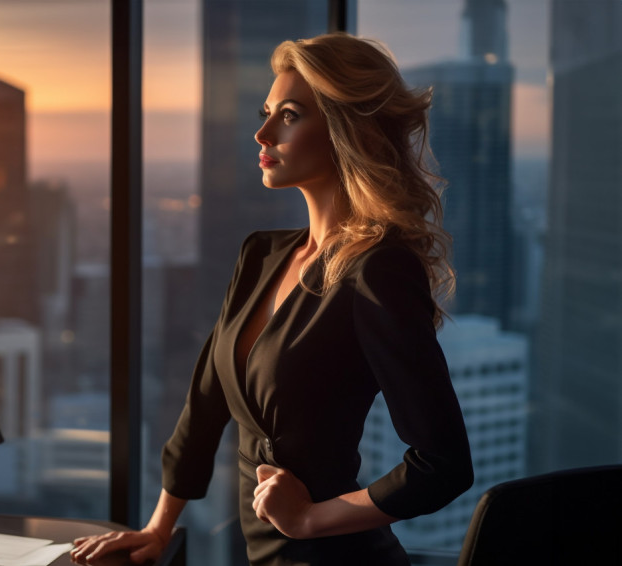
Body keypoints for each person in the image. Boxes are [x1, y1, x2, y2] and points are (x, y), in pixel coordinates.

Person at [71, 31, 473, 566]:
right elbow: (207, 401)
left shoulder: (378, 269)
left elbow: (443, 463)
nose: (261, 133)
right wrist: (158, 529)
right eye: (266, 112)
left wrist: (309, 518)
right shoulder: (261, 255)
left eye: (288, 115)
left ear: (345, 131)